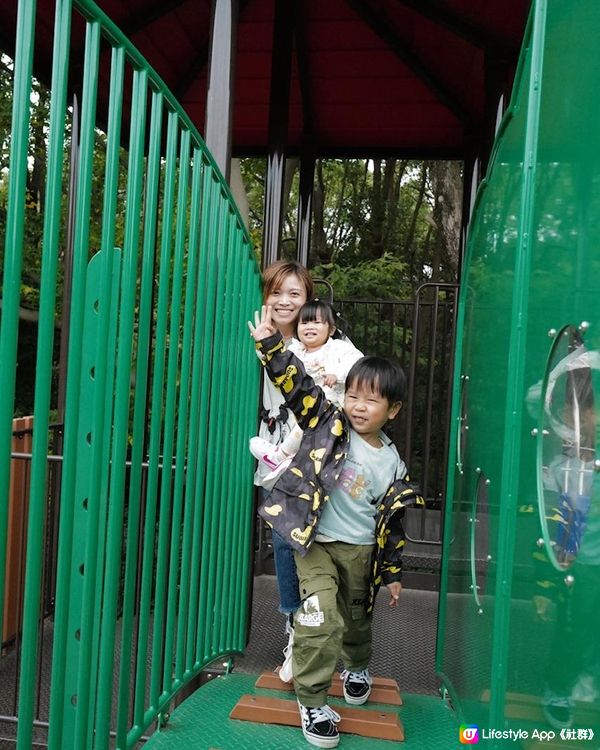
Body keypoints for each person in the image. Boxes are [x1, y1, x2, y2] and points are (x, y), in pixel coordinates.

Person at [248, 305, 424, 749]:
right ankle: (311, 700)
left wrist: (394, 573)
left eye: (371, 400)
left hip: (361, 554)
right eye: (353, 395)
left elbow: (393, 524)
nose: (359, 406)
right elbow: (298, 386)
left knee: (356, 624)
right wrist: (271, 345)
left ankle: (357, 665)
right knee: (318, 617)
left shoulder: (393, 464)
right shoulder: (328, 425)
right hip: (316, 546)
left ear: (393, 410)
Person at [254, 260, 314, 681]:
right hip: (265, 452)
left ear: (307, 299)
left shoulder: (320, 339)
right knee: (282, 540)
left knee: (294, 539)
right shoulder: (253, 337)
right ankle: (297, 626)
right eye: (278, 291)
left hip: (307, 454)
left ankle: (301, 628)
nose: (285, 300)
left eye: (294, 293)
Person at [249, 299, 363, 489]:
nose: (310, 327)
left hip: (327, 414)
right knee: (300, 431)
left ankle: (280, 456)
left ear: (331, 329)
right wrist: (264, 342)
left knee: (310, 425)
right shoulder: (295, 350)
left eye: (317, 322)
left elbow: (357, 363)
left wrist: (338, 375)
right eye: (304, 322)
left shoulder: (337, 349)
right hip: (299, 413)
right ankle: (287, 460)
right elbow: (274, 361)